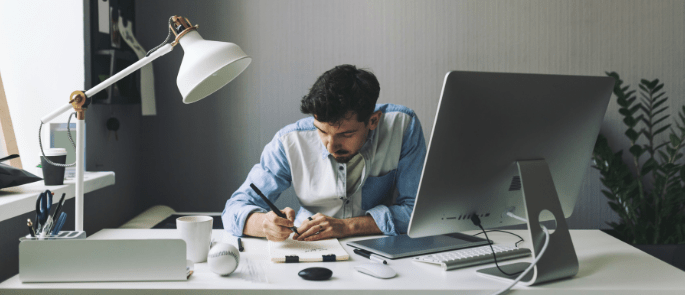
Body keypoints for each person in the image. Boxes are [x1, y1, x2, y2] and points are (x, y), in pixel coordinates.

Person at [222, 64, 426, 242]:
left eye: (346, 134)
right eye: (321, 130)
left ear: (373, 121)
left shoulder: (403, 126)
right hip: (307, 246)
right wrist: (263, 224)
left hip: (380, 248)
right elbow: (233, 210)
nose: (330, 146)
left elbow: (419, 212)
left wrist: (348, 227)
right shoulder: (289, 142)